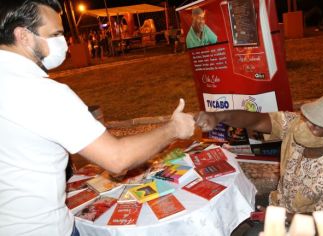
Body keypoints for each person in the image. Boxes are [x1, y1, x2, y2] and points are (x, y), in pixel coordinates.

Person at [0, 1, 195, 235]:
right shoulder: (42, 92)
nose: (63, 44)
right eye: (55, 34)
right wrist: (173, 128)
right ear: (23, 35)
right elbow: (117, 158)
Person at [196, 93, 323, 235]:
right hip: (277, 203)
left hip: (301, 228)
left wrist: (282, 217)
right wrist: (220, 116)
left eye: (315, 126)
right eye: (308, 118)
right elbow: (258, 120)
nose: (305, 125)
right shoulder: (295, 126)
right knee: (230, 207)